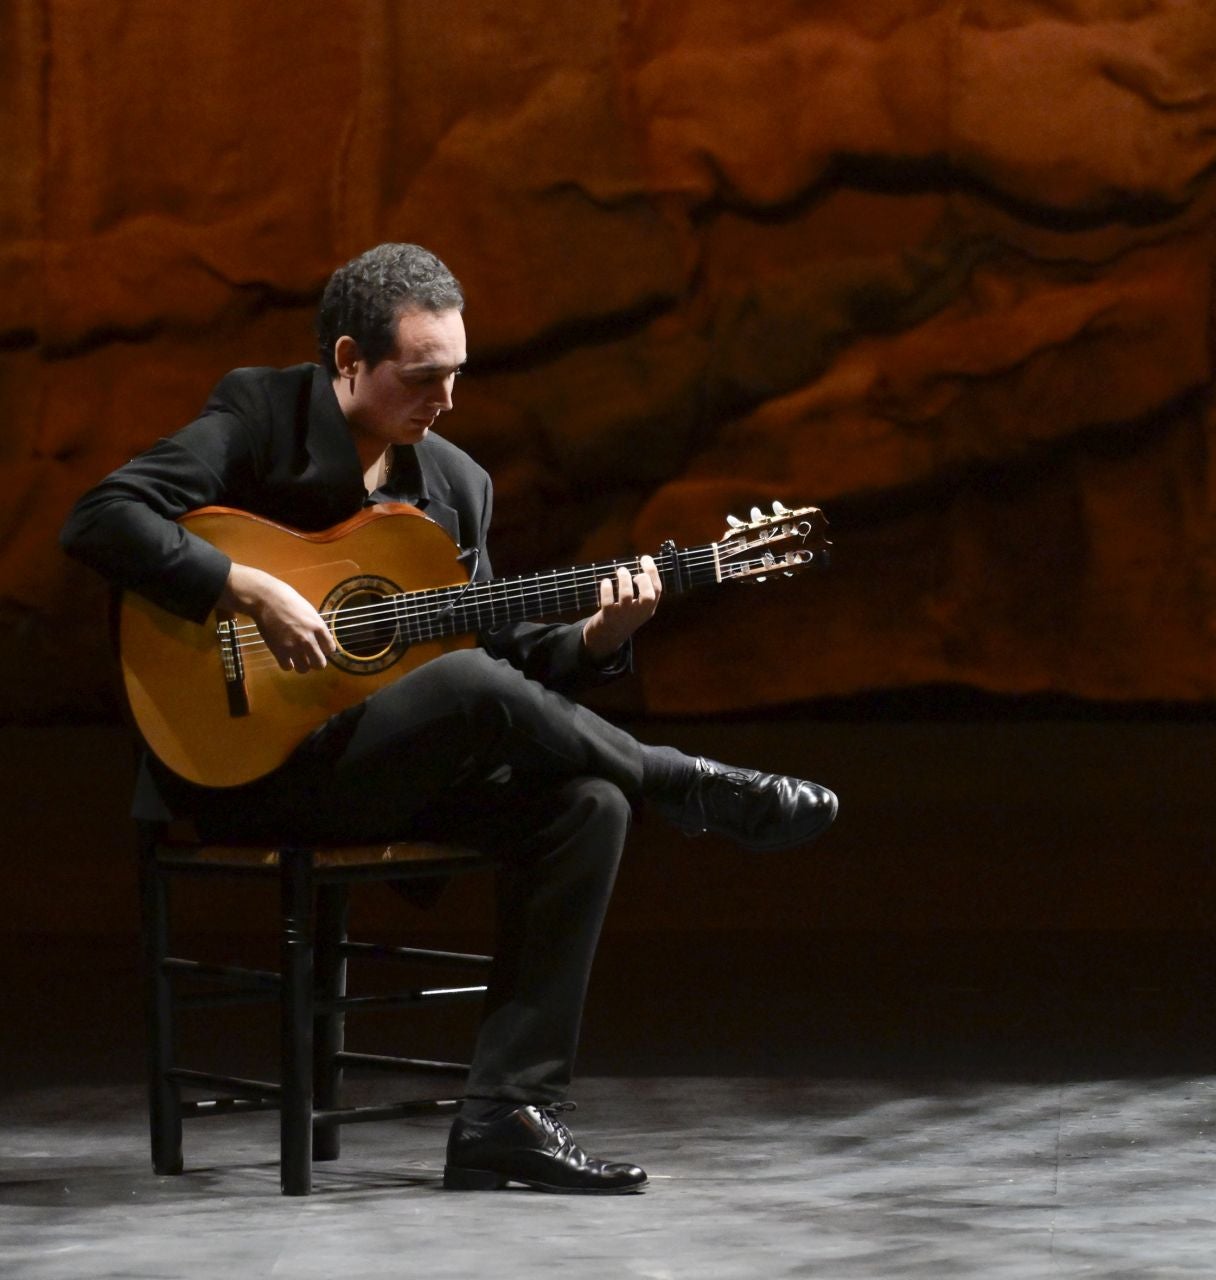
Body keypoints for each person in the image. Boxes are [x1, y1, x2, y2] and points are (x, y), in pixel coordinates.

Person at [62, 242, 839, 1194]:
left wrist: (597, 638)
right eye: (422, 376)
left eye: (456, 375)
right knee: (475, 693)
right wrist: (244, 585)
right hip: (247, 768)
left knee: (588, 800)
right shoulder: (260, 416)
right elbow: (102, 516)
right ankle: (684, 782)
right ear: (349, 361)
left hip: (380, 774)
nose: (445, 401)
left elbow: (500, 658)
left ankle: (506, 1117)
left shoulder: (455, 487)